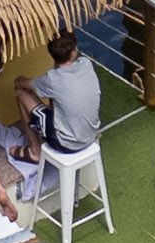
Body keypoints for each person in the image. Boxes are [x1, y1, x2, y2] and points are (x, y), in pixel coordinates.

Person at [20, 28, 102, 173]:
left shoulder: (52, 78)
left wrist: (17, 80)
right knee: (57, 98)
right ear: (74, 51)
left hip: (66, 144)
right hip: (91, 134)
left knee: (21, 93)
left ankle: (35, 151)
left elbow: (25, 84)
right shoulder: (86, 64)